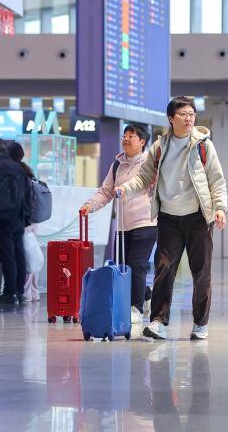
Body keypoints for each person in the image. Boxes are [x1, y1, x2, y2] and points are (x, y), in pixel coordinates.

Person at [117, 96, 228, 341]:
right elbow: (144, 176)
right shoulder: (160, 147)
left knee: (201, 273)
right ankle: (158, 321)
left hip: (199, 217)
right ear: (171, 118)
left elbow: (217, 180)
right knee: (164, 269)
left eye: (191, 114)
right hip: (168, 217)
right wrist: (125, 188)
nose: (188, 118)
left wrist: (220, 208)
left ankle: (200, 323)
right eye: (183, 114)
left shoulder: (204, 146)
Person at [81, 123, 157, 325]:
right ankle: (146, 294)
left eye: (131, 136)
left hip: (146, 222)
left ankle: (136, 309)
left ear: (142, 141)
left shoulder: (151, 162)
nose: (126, 138)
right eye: (124, 135)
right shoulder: (117, 165)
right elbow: (106, 191)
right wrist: (90, 205)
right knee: (123, 267)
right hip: (122, 226)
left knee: (137, 265)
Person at [0, 138, 29, 305]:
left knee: (7, 255)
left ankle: (9, 293)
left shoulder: (0, 165)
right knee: (18, 254)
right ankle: (19, 291)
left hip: (4, 215)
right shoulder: (18, 167)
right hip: (18, 216)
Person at [7, 141, 41, 302]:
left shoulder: (14, 172)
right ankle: (34, 291)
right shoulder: (27, 170)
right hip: (34, 219)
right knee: (31, 254)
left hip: (23, 220)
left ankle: (25, 292)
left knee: (25, 256)